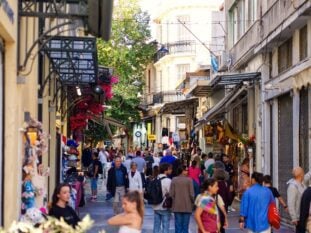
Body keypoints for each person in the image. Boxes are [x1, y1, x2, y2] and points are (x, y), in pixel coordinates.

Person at [170, 165, 194, 233]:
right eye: (186, 170)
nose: (187, 171)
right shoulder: (189, 180)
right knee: (185, 226)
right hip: (187, 205)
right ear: (182, 171)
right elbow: (192, 194)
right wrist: (193, 202)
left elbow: (171, 193)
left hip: (177, 205)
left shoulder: (174, 179)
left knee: (178, 226)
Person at [152, 163, 172, 233]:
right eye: (170, 169)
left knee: (156, 226)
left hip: (155, 205)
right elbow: (170, 193)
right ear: (166, 170)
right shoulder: (168, 181)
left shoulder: (155, 179)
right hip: (164, 206)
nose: (171, 170)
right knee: (165, 226)